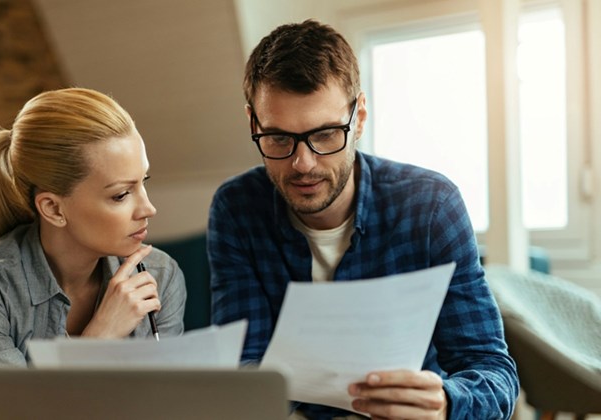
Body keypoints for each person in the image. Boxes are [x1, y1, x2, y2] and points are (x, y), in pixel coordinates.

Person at [208, 20, 519, 419]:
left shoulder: (432, 206)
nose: (303, 164)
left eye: (325, 135)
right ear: (254, 123)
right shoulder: (236, 209)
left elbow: (494, 373)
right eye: (279, 138)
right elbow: (244, 371)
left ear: (360, 118)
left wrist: (444, 404)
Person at [0, 87, 186, 366]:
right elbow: (11, 409)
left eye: (143, 182)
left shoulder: (161, 275)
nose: (149, 209)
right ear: (53, 209)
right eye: (121, 194)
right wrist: (101, 337)